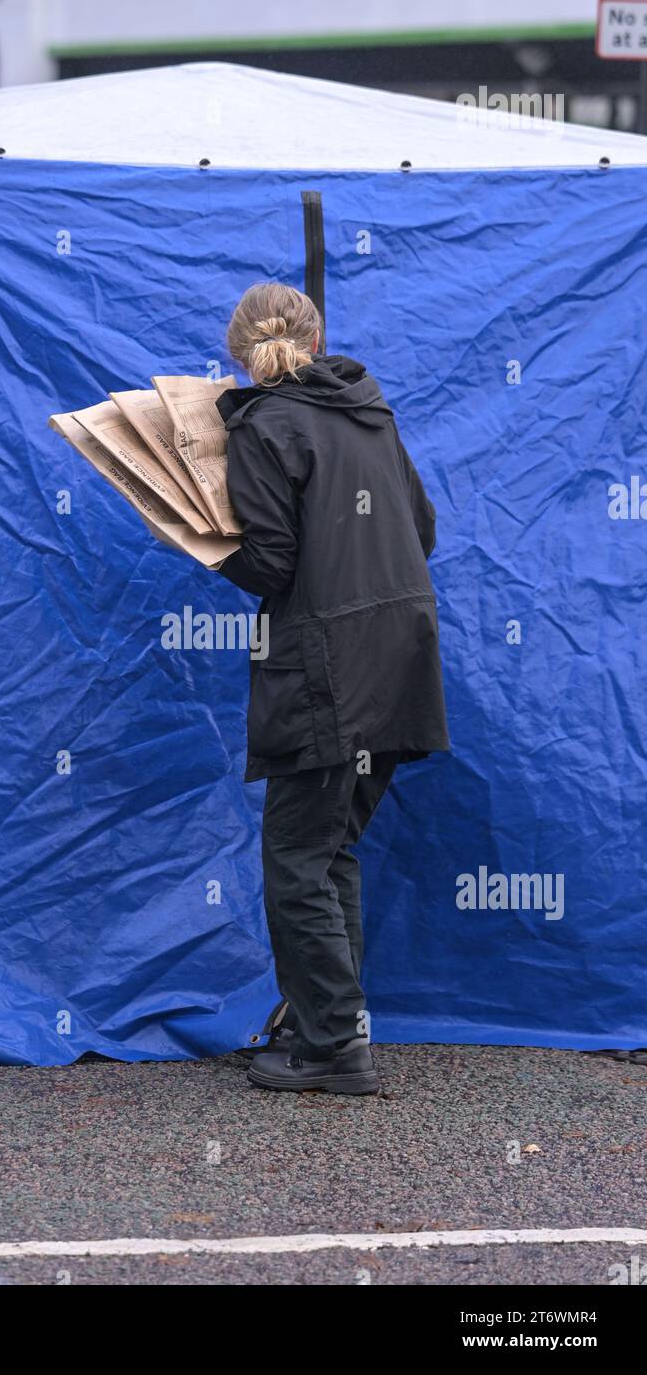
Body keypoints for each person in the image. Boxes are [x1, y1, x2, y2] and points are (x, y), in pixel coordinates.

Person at [215, 282, 449, 1096]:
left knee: (295, 861)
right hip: (401, 657)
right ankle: (334, 1031)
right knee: (330, 850)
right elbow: (421, 530)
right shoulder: (368, 411)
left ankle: (329, 1049)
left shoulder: (261, 424)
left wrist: (205, 543)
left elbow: (272, 563)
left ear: (236, 349)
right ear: (317, 339)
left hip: (326, 666)